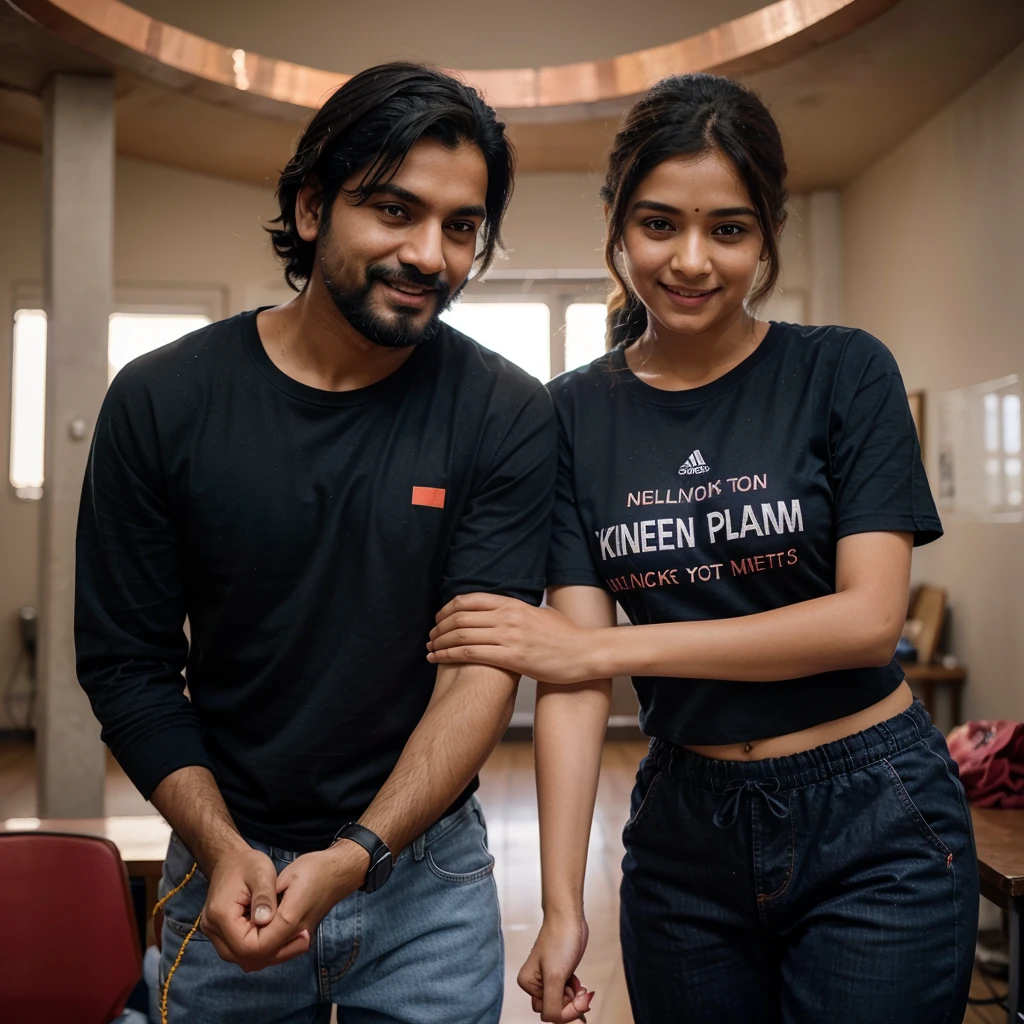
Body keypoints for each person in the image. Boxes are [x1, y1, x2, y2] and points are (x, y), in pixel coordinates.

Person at [426, 72, 978, 1024]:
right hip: (687, 830)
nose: (691, 260)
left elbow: (866, 620)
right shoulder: (566, 416)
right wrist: (561, 908)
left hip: (874, 816)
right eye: (658, 224)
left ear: (767, 234)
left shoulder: (843, 371)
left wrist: (600, 648)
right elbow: (570, 684)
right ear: (616, 223)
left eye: (729, 229)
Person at [76, 62, 556, 1023]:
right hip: (225, 862)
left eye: (462, 227)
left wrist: (359, 854)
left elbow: (479, 673)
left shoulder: (505, 411)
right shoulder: (163, 399)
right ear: (309, 208)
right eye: (393, 210)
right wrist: (219, 846)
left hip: (425, 876)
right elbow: (128, 665)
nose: (430, 253)